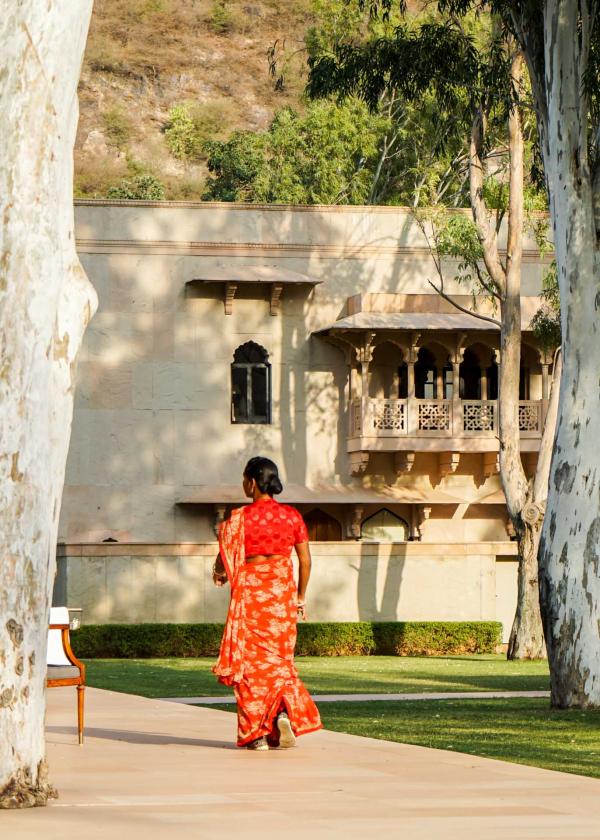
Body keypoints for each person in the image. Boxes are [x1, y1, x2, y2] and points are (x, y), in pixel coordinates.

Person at [212, 456, 322, 751]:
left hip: (251, 597)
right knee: (279, 664)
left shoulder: (239, 518)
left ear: (250, 482)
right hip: (281, 597)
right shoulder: (291, 516)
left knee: (250, 669)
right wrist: (300, 596)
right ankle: (283, 713)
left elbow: (225, 556)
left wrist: (219, 573)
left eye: (243, 480)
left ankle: (257, 736)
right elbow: (305, 561)